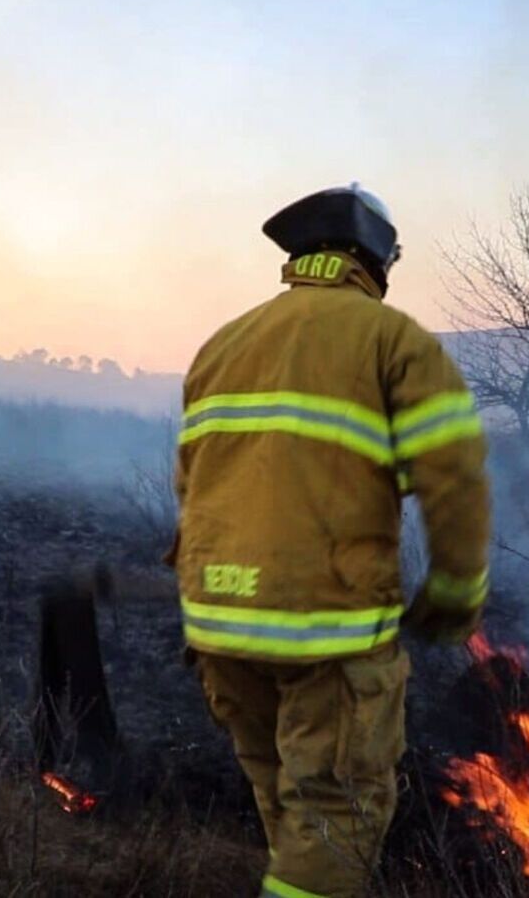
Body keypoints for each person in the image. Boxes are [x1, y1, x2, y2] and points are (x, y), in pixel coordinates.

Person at [170, 184, 493, 898]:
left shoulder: (223, 344)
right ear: (376, 257)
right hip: (326, 629)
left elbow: (191, 485)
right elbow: (455, 478)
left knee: (286, 806)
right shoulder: (394, 341)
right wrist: (454, 595)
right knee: (335, 812)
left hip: (220, 625)